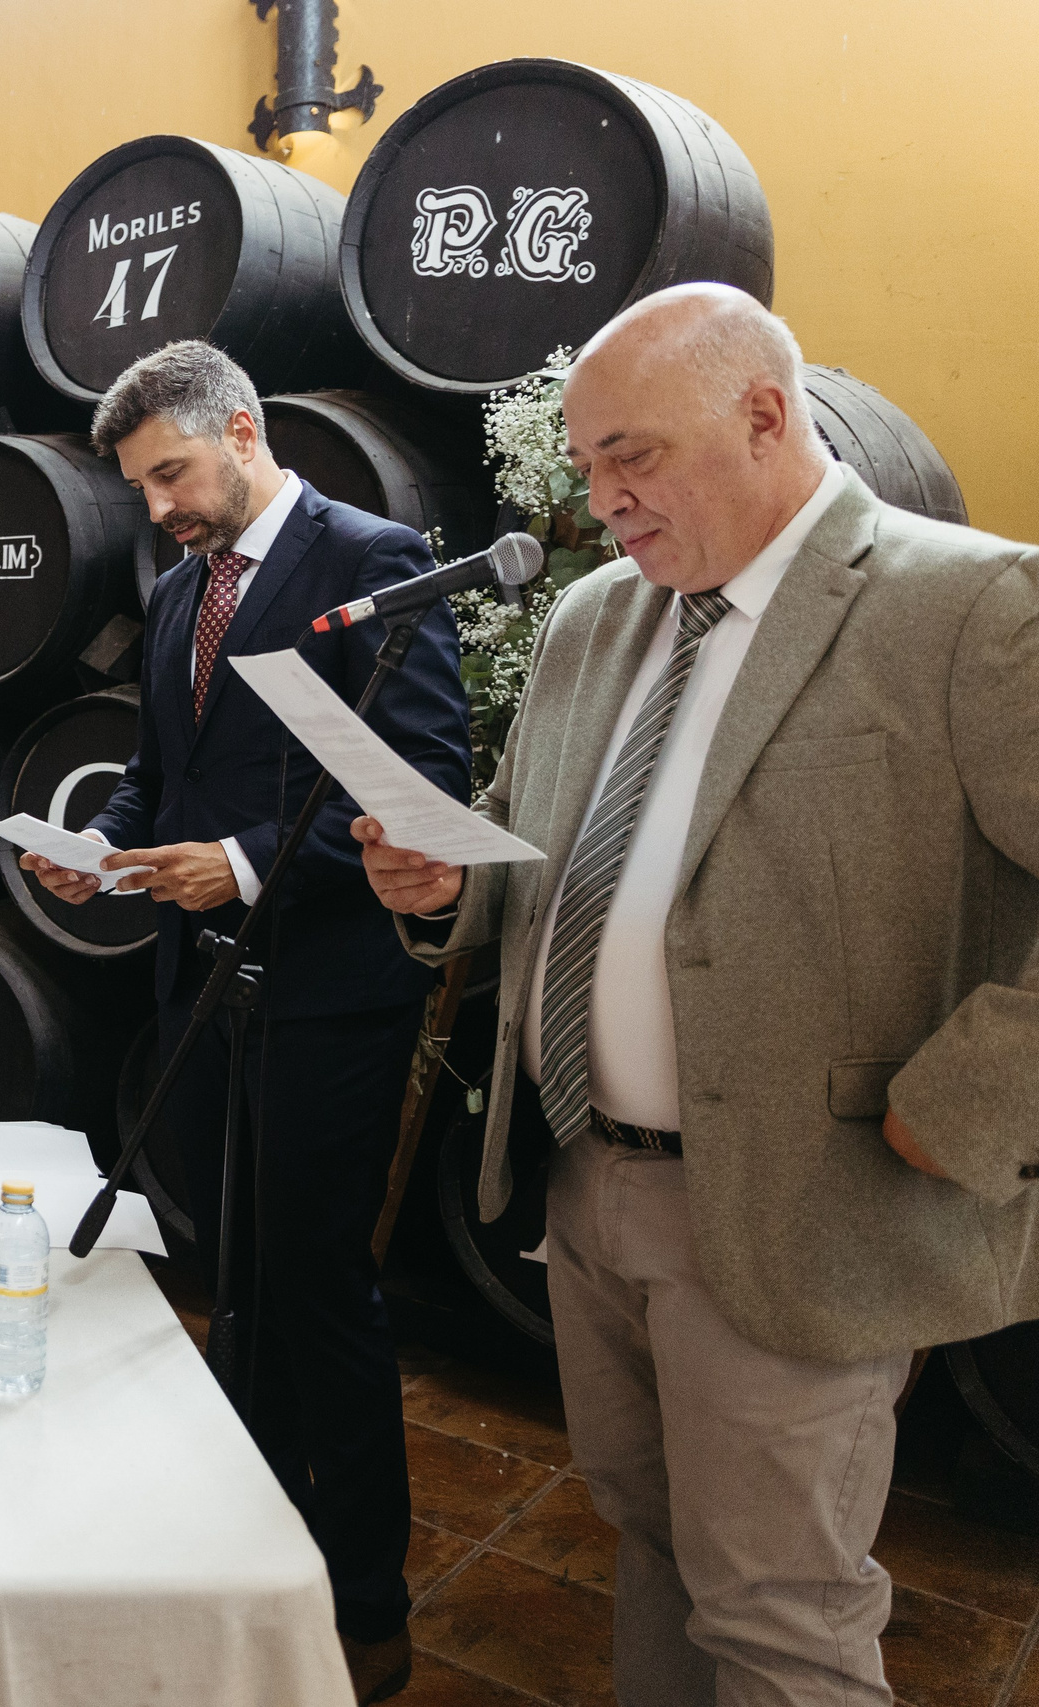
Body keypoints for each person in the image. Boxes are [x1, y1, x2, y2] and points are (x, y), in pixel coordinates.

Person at [356, 283, 1039, 1705]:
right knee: (653, 1538)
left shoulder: (965, 604)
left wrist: (968, 1105)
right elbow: (536, 843)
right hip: (586, 1184)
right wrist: (445, 882)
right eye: (586, 462)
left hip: (805, 1198)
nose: (599, 496)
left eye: (632, 455)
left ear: (764, 416)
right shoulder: (592, 618)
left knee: (780, 1612)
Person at [21, 339, 471, 1704]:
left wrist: (250, 864)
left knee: (320, 1293)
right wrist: (97, 846)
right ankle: (249, 1558)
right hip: (203, 993)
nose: (159, 507)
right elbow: (156, 778)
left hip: (330, 998)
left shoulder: (375, 561)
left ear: (243, 430)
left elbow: (422, 791)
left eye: (172, 473)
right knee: (241, 1280)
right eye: (141, 488)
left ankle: (366, 1601)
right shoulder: (179, 592)